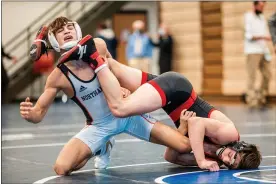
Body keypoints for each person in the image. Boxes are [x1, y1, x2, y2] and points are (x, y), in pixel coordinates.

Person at [21, 16, 217, 176]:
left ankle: (194, 138)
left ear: (78, 30)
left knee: (183, 146)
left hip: (130, 114)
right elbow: (39, 113)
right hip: (99, 125)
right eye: (61, 31)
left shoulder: (97, 46)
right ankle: (101, 147)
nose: (67, 31)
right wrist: (31, 115)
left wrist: (121, 87)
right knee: (62, 168)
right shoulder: (59, 76)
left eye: (70, 27)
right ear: (54, 41)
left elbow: (115, 70)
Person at [58, 35, 262, 171]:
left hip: (168, 96)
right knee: (120, 107)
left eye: (231, 165)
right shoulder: (230, 134)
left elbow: (170, 155)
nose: (227, 160)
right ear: (240, 146)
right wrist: (200, 160)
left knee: (111, 65)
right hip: (176, 88)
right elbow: (198, 123)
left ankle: (74, 46)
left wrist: (181, 131)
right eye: (233, 157)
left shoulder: (215, 158)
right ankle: (82, 52)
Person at [244, 1, 272, 108]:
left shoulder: (262, 18)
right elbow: (249, 35)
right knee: (252, 76)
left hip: (263, 50)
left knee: (267, 75)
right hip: (252, 51)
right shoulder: (248, 17)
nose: (262, 8)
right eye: (260, 6)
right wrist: (264, 37)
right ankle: (251, 100)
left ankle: (262, 98)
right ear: (254, 6)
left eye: (263, 6)